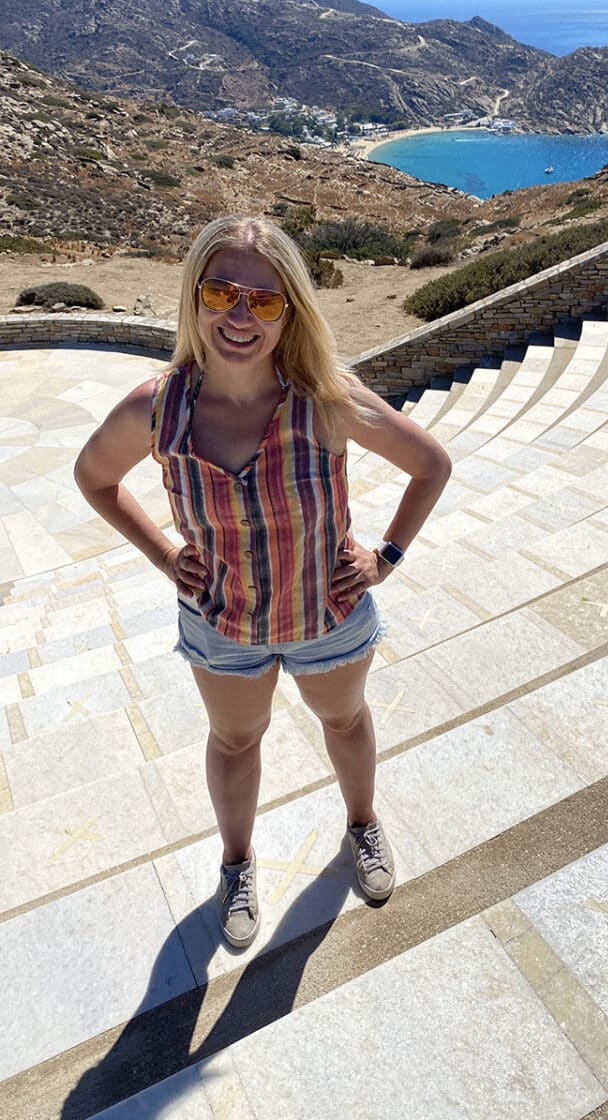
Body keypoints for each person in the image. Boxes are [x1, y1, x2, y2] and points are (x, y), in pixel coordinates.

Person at [74, 215, 451, 948]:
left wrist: (386, 557)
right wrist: (161, 554)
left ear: (291, 313)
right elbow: (93, 479)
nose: (239, 315)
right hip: (224, 624)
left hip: (328, 614)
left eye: (265, 301)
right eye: (221, 292)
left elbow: (430, 465)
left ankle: (362, 826)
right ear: (195, 298)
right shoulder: (157, 408)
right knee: (236, 740)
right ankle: (237, 862)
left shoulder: (326, 399)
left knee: (344, 721)